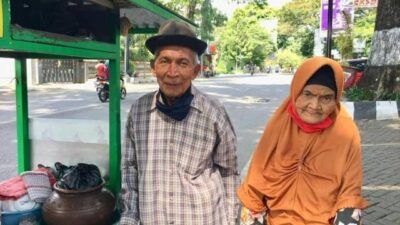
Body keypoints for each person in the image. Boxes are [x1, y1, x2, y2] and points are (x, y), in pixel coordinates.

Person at [119, 20, 240, 225]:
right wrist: (129, 218)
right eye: (165, 61)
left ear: (195, 71)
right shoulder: (139, 111)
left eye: (182, 63)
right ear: (153, 68)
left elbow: (229, 172)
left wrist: (231, 220)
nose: (172, 72)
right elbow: (131, 170)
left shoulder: (213, 112)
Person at [237, 57, 368, 225]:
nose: (314, 105)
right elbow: (254, 184)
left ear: (335, 99)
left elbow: (350, 193)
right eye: (307, 94)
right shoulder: (279, 125)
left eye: (326, 98)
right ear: (296, 91)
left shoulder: (345, 132)